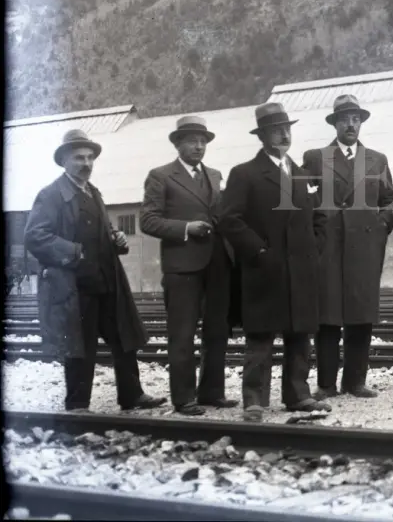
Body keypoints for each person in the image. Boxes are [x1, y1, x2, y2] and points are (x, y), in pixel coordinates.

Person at [25, 129, 166, 413]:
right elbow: (35, 237)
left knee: (124, 339)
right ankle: (78, 405)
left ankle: (132, 396)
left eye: (90, 158)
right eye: (79, 158)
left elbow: (105, 230)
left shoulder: (94, 192)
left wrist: (118, 239)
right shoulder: (51, 195)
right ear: (64, 160)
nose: (86, 163)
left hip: (107, 282)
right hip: (73, 287)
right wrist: (73, 251)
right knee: (80, 346)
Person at [219, 102, 329, 421]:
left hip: (302, 271)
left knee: (300, 334)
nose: (283, 134)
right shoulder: (245, 174)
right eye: (276, 130)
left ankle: (298, 395)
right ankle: (254, 399)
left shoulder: (301, 173)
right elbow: (229, 219)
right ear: (263, 136)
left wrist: (313, 247)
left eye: (287, 129)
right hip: (264, 270)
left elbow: (320, 215)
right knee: (261, 337)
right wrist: (259, 250)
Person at [139, 116, 238, 415]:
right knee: (182, 334)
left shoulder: (216, 175)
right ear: (177, 144)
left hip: (217, 264)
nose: (198, 146)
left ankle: (211, 393)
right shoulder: (161, 176)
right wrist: (186, 228)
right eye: (192, 141)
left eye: (203, 141)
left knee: (217, 331)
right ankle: (183, 398)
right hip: (182, 267)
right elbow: (147, 220)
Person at [302, 94, 393, 400]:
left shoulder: (377, 160)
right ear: (335, 123)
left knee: (361, 315)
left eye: (356, 119)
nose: (351, 125)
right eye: (344, 119)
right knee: (327, 316)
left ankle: (355, 381)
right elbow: (303, 200)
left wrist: (380, 229)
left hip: (365, 247)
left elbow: (389, 201)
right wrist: (317, 232)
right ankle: (326, 384)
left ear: (361, 123)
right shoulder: (317, 157)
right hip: (328, 248)